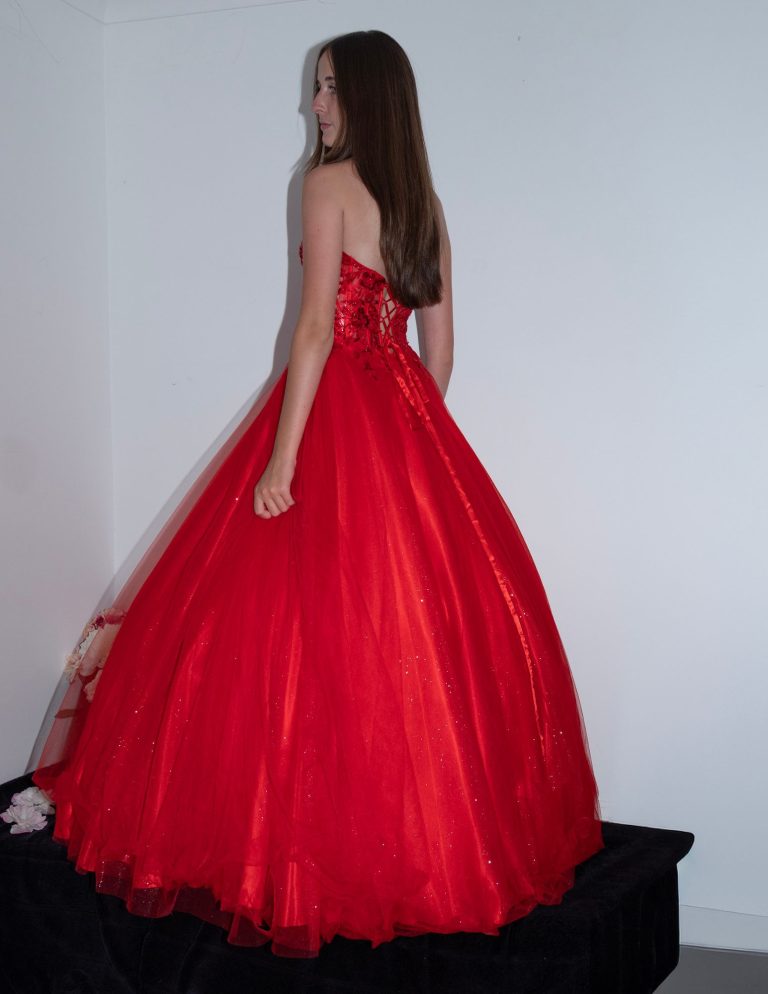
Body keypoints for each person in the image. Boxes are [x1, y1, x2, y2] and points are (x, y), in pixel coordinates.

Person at [23, 30, 603, 959]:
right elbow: (440, 353)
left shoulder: (326, 186)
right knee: (405, 652)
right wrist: (406, 438)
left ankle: (287, 857)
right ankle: (420, 849)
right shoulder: (426, 204)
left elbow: (312, 337)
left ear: (366, 97)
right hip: (406, 424)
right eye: (315, 90)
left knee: (286, 641)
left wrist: (284, 464)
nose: (315, 107)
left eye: (328, 90)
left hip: (325, 418)